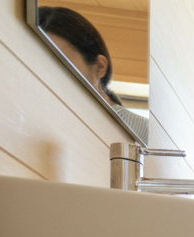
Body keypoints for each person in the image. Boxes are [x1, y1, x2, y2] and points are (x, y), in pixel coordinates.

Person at [37, 6, 149, 141]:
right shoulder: (44, 126)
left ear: (99, 67)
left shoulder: (143, 133)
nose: (51, 77)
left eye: (61, 64)